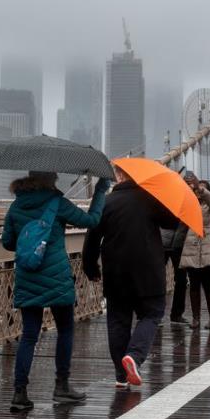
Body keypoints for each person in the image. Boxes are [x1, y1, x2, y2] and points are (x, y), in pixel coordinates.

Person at [1, 171, 109, 412]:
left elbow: (7, 242)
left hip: (28, 275)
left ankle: (19, 393)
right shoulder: (57, 202)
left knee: (29, 335)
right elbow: (91, 221)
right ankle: (62, 387)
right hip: (56, 276)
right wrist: (100, 191)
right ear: (50, 179)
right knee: (65, 330)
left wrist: (29, 239)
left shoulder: (17, 205)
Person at [82, 165, 179, 388]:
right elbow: (173, 223)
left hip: (115, 272)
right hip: (148, 272)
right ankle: (134, 357)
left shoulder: (105, 203)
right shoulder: (149, 198)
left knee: (118, 321)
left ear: (119, 177)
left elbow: (92, 239)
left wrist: (90, 268)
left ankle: (120, 375)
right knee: (152, 314)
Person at [179, 178, 210, 330]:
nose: (198, 191)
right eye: (197, 190)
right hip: (191, 248)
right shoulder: (190, 205)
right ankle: (195, 319)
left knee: (208, 283)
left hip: (207, 249)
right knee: (194, 285)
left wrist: (201, 190)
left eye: (202, 189)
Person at [161, 222, 189, 324]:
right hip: (163, 242)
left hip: (178, 243)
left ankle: (177, 314)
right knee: (158, 279)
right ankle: (156, 313)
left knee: (181, 280)